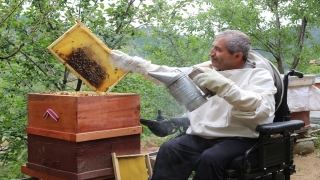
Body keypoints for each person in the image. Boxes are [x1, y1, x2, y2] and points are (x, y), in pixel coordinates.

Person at [109, 30, 277, 180]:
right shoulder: (206, 70)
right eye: (213, 47)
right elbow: (167, 74)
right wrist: (132, 63)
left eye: (218, 49)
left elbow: (262, 108)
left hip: (238, 138)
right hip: (201, 136)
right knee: (169, 148)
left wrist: (225, 87)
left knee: (210, 159)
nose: (211, 53)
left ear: (237, 56)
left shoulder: (259, 75)